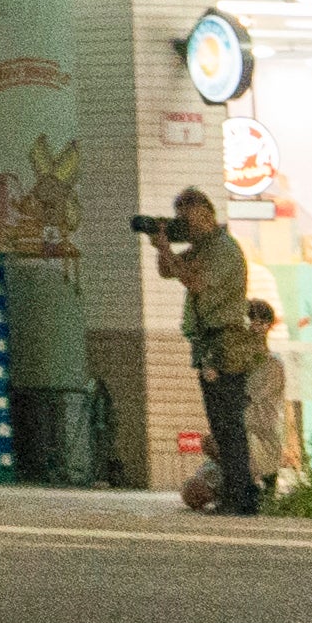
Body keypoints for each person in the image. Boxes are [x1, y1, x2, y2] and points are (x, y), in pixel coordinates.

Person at [130, 185, 275, 514]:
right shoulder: (203, 247)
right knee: (220, 423)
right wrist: (162, 246)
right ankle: (236, 491)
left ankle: (242, 495)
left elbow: (194, 282)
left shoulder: (221, 249)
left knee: (228, 423)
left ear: (207, 214)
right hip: (209, 342)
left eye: (189, 218)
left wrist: (167, 246)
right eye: (181, 219)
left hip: (225, 343)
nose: (186, 225)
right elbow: (168, 271)